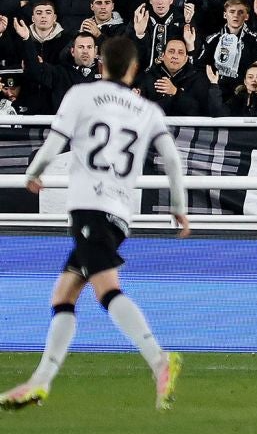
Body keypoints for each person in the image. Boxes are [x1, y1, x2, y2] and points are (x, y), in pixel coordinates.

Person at [3, 37, 187, 411]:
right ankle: (40, 382)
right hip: (120, 214)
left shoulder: (81, 95)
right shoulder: (147, 109)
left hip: (90, 207)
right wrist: (179, 207)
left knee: (106, 289)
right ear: (134, 69)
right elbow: (171, 159)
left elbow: (54, 142)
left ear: (100, 64)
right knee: (64, 295)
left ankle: (158, 359)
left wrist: (33, 173)